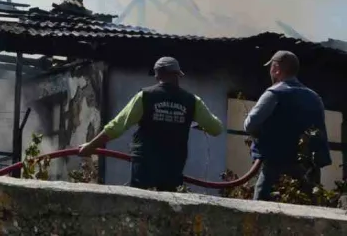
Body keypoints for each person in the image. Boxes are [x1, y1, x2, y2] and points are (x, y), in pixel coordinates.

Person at [79, 56, 223, 191]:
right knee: (167, 213)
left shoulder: (145, 96)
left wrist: (90, 146)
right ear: (178, 74)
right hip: (172, 170)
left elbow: (116, 127)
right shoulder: (192, 101)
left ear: (158, 75)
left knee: (140, 212)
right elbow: (216, 129)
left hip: (144, 170)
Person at [244, 50, 331, 201]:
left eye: (271, 67)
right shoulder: (315, 98)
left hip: (274, 168)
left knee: (260, 211)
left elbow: (250, 124)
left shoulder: (274, 94)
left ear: (276, 69)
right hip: (306, 170)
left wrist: (260, 135)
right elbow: (320, 133)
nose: (270, 71)